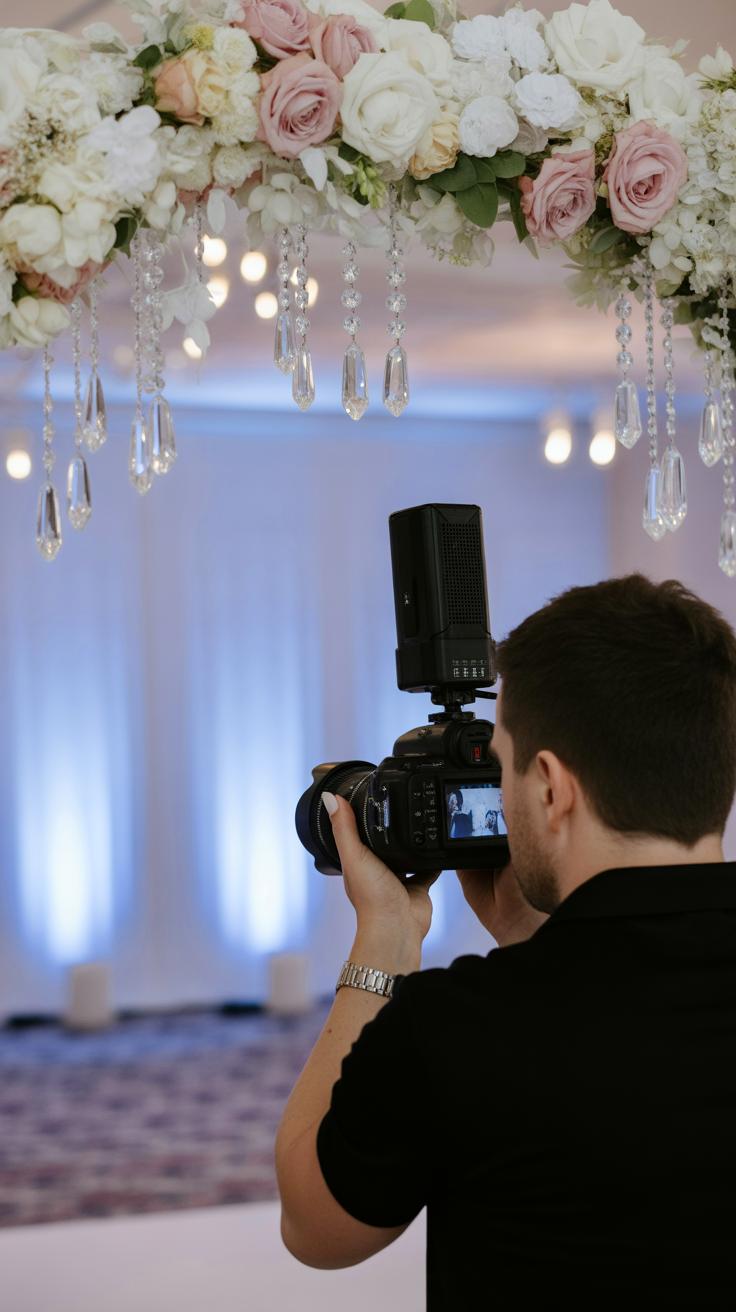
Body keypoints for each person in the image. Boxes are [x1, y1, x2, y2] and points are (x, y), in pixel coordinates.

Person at [275, 575, 736, 1306]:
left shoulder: (457, 1028)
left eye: (503, 766)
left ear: (550, 787)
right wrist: (529, 938)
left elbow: (314, 1225)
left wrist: (385, 940)